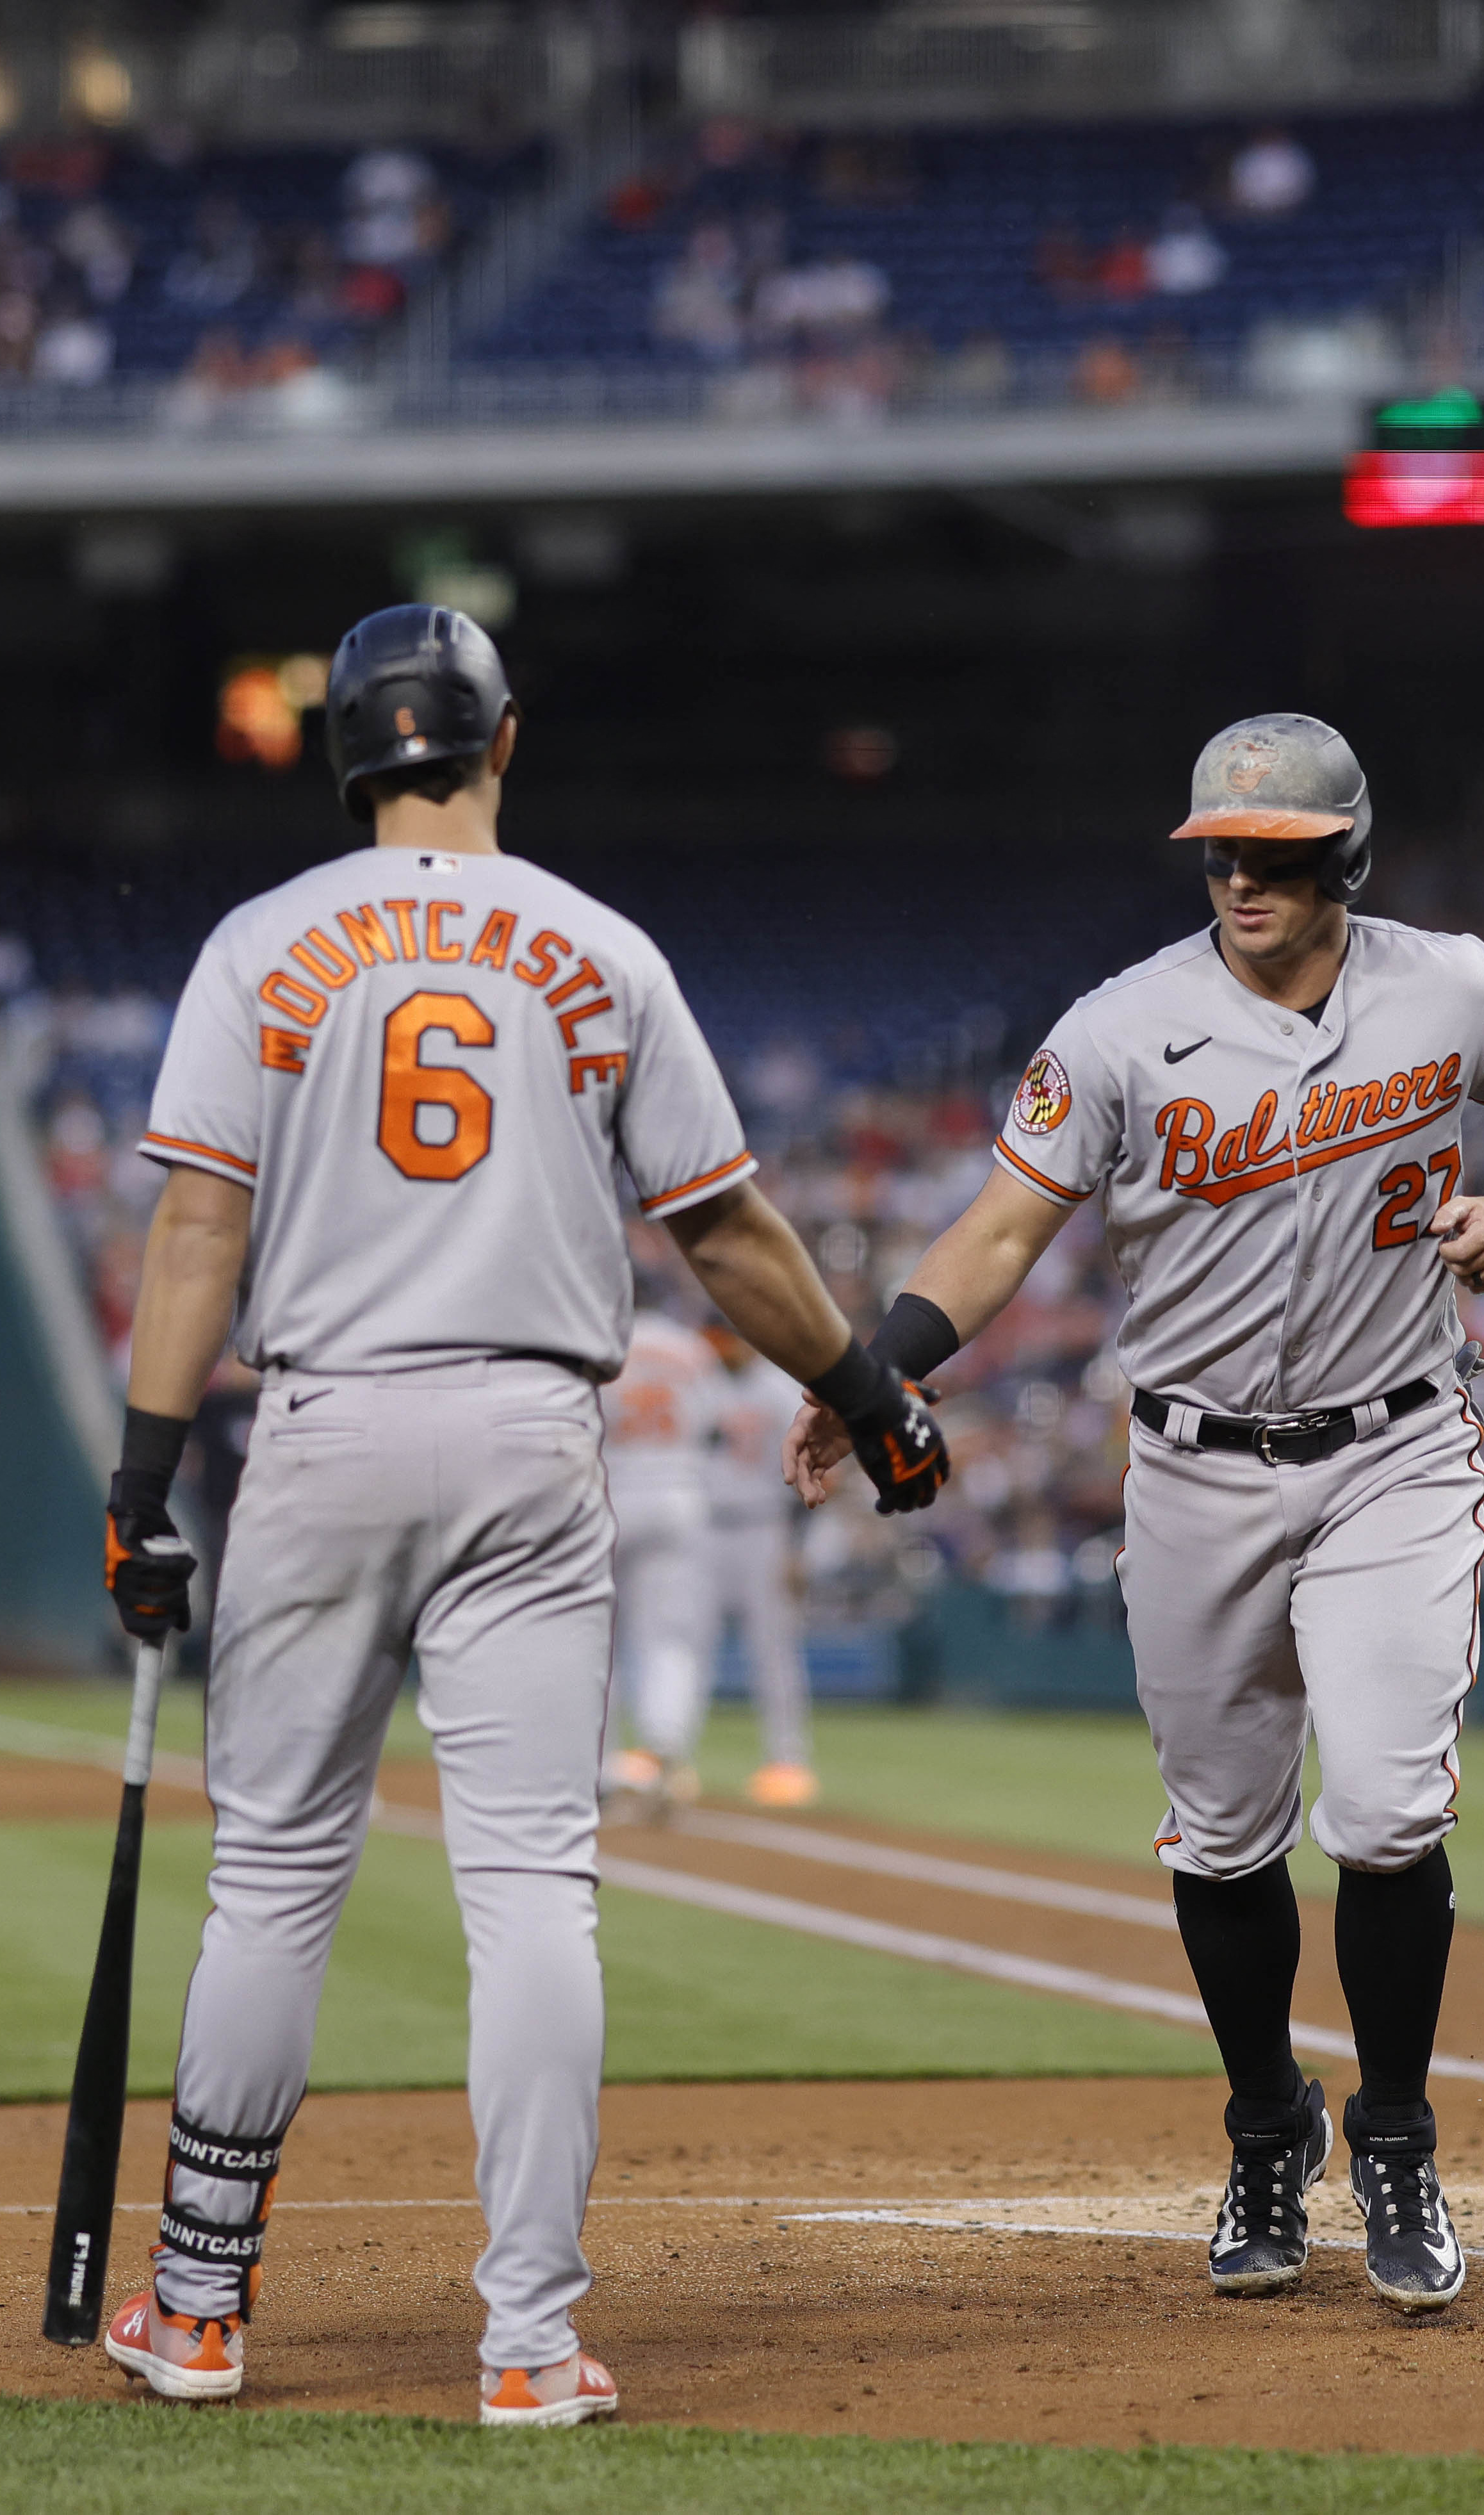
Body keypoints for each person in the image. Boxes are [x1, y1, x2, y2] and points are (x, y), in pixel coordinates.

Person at [97, 603, 949, 2425]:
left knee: (266, 1878)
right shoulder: (597, 947)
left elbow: (191, 1232)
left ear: (343, 753)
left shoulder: (259, 946)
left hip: (318, 1424)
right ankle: (527, 2339)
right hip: (524, 1431)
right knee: (530, 1889)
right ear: (499, 742)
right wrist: (867, 1394)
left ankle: (189, 2305)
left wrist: (138, 1477)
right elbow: (721, 1231)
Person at [788, 714, 1484, 2314]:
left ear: (1343, 860)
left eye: (1274, 853)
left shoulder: (1453, 984)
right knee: (1225, 1835)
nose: (1238, 875)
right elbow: (1005, 1227)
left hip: (1394, 1451)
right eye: (1218, 849)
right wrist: (876, 1369)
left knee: (1380, 1808)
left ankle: (1397, 2134)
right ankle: (1263, 2121)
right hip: (1195, 1465)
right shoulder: (1121, 1028)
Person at [601, 1298, 719, 1815]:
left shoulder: (601, 1338)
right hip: (679, 1496)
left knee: (595, 1636)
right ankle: (666, 1752)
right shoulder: (691, 1348)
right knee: (668, 1636)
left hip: (611, 1492)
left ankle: (597, 1769)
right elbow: (715, 1424)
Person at [699, 1315, 818, 1805]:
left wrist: (796, 1548)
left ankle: (787, 1761)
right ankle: (666, 1755)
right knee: (687, 1644)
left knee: (773, 1649)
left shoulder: (779, 1389)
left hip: (765, 1526)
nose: (723, 1350)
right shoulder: (698, 1385)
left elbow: (809, 1469)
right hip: (702, 1527)